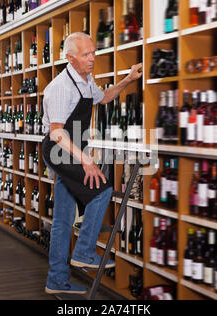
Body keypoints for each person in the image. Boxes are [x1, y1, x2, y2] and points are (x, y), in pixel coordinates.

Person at [42, 32, 142, 294]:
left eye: (93, 52)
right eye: (86, 55)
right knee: (102, 189)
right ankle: (85, 252)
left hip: (72, 150)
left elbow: (104, 97)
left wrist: (128, 79)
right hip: (59, 149)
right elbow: (57, 133)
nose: (92, 58)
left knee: (63, 221)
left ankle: (56, 280)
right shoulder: (61, 87)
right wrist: (86, 161)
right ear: (70, 58)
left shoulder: (85, 80)